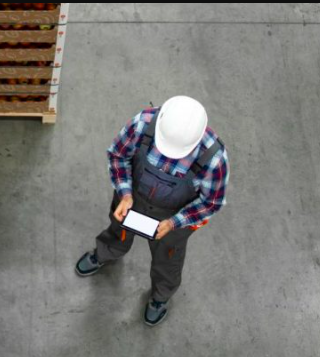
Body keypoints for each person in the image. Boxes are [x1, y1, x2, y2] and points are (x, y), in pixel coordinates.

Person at [75, 96, 230, 326]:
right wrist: (125, 193)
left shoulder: (214, 159)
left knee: (168, 257)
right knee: (118, 229)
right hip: (132, 199)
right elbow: (118, 156)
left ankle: (160, 296)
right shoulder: (143, 123)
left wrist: (175, 222)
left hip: (173, 218)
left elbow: (210, 203)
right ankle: (106, 252)